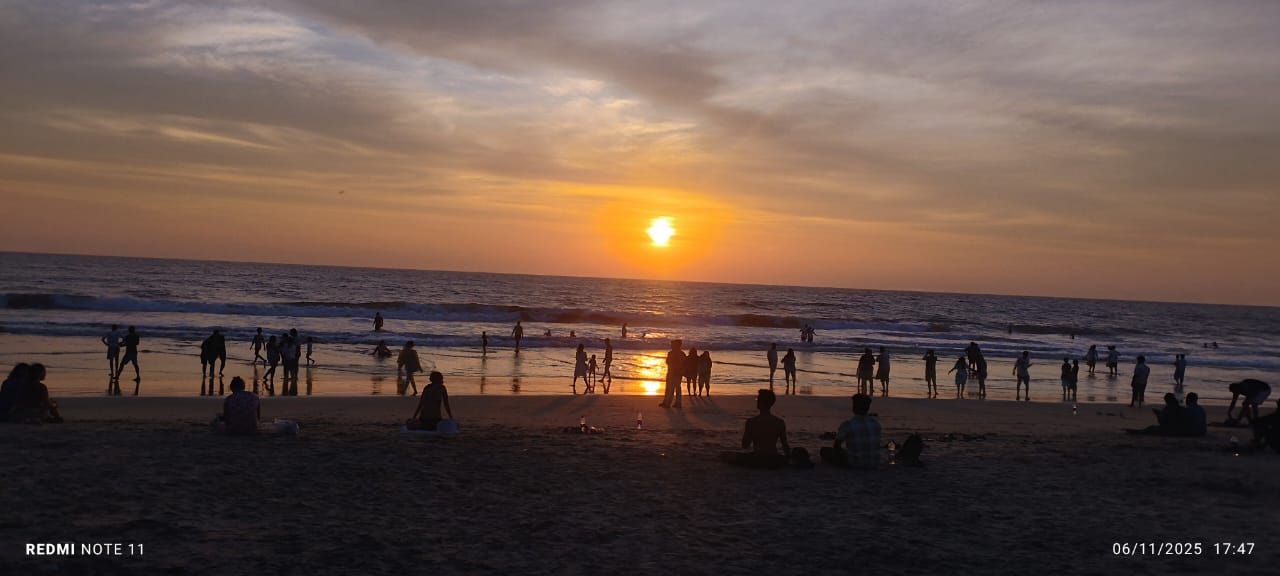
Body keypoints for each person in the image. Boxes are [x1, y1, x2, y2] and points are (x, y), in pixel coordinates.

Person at [724, 389, 789, 469]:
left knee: (727, 456)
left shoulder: (752, 422)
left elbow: (745, 445)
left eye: (758, 399)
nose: (757, 401)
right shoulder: (779, 422)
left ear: (761, 402)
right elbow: (785, 446)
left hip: (757, 458)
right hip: (773, 458)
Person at [820, 393, 882, 469]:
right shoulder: (876, 424)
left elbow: (836, 446)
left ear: (854, 407)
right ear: (868, 408)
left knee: (824, 451)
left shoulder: (848, 425)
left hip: (855, 463)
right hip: (874, 462)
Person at [114, 326, 141, 390]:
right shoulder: (136, 336)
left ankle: (118, 376)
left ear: (129, 330)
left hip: (129, 352)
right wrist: (122, 344)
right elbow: (137, 343)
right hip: (134, 351)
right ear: (134, 330)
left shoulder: (128, 336)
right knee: (135, 364)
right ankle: (138, 376)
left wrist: (119, 344)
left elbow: (124, 342)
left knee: (122, 364)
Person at [660, 340, 684, 408]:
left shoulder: (675, 354)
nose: (671, 346)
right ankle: (671, 402)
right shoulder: (678, 353)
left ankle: (669, 403)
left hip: (675, 373)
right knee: (672, 388)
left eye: (672, 344)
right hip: (673, 372)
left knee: (672, 388)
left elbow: (668, 362)